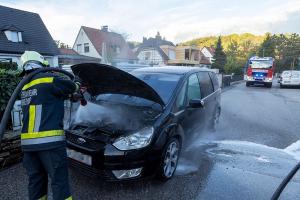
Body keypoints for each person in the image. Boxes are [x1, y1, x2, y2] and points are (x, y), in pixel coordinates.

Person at [19, 51, 81, 200]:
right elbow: (72, 87)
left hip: (28, 147)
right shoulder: (49, 79)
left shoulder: (24, 86)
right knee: (59, 183)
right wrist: (78, 84)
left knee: (36, 182)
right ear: (42, 63)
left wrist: (68, 95)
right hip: (50, 144)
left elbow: (47, 98)